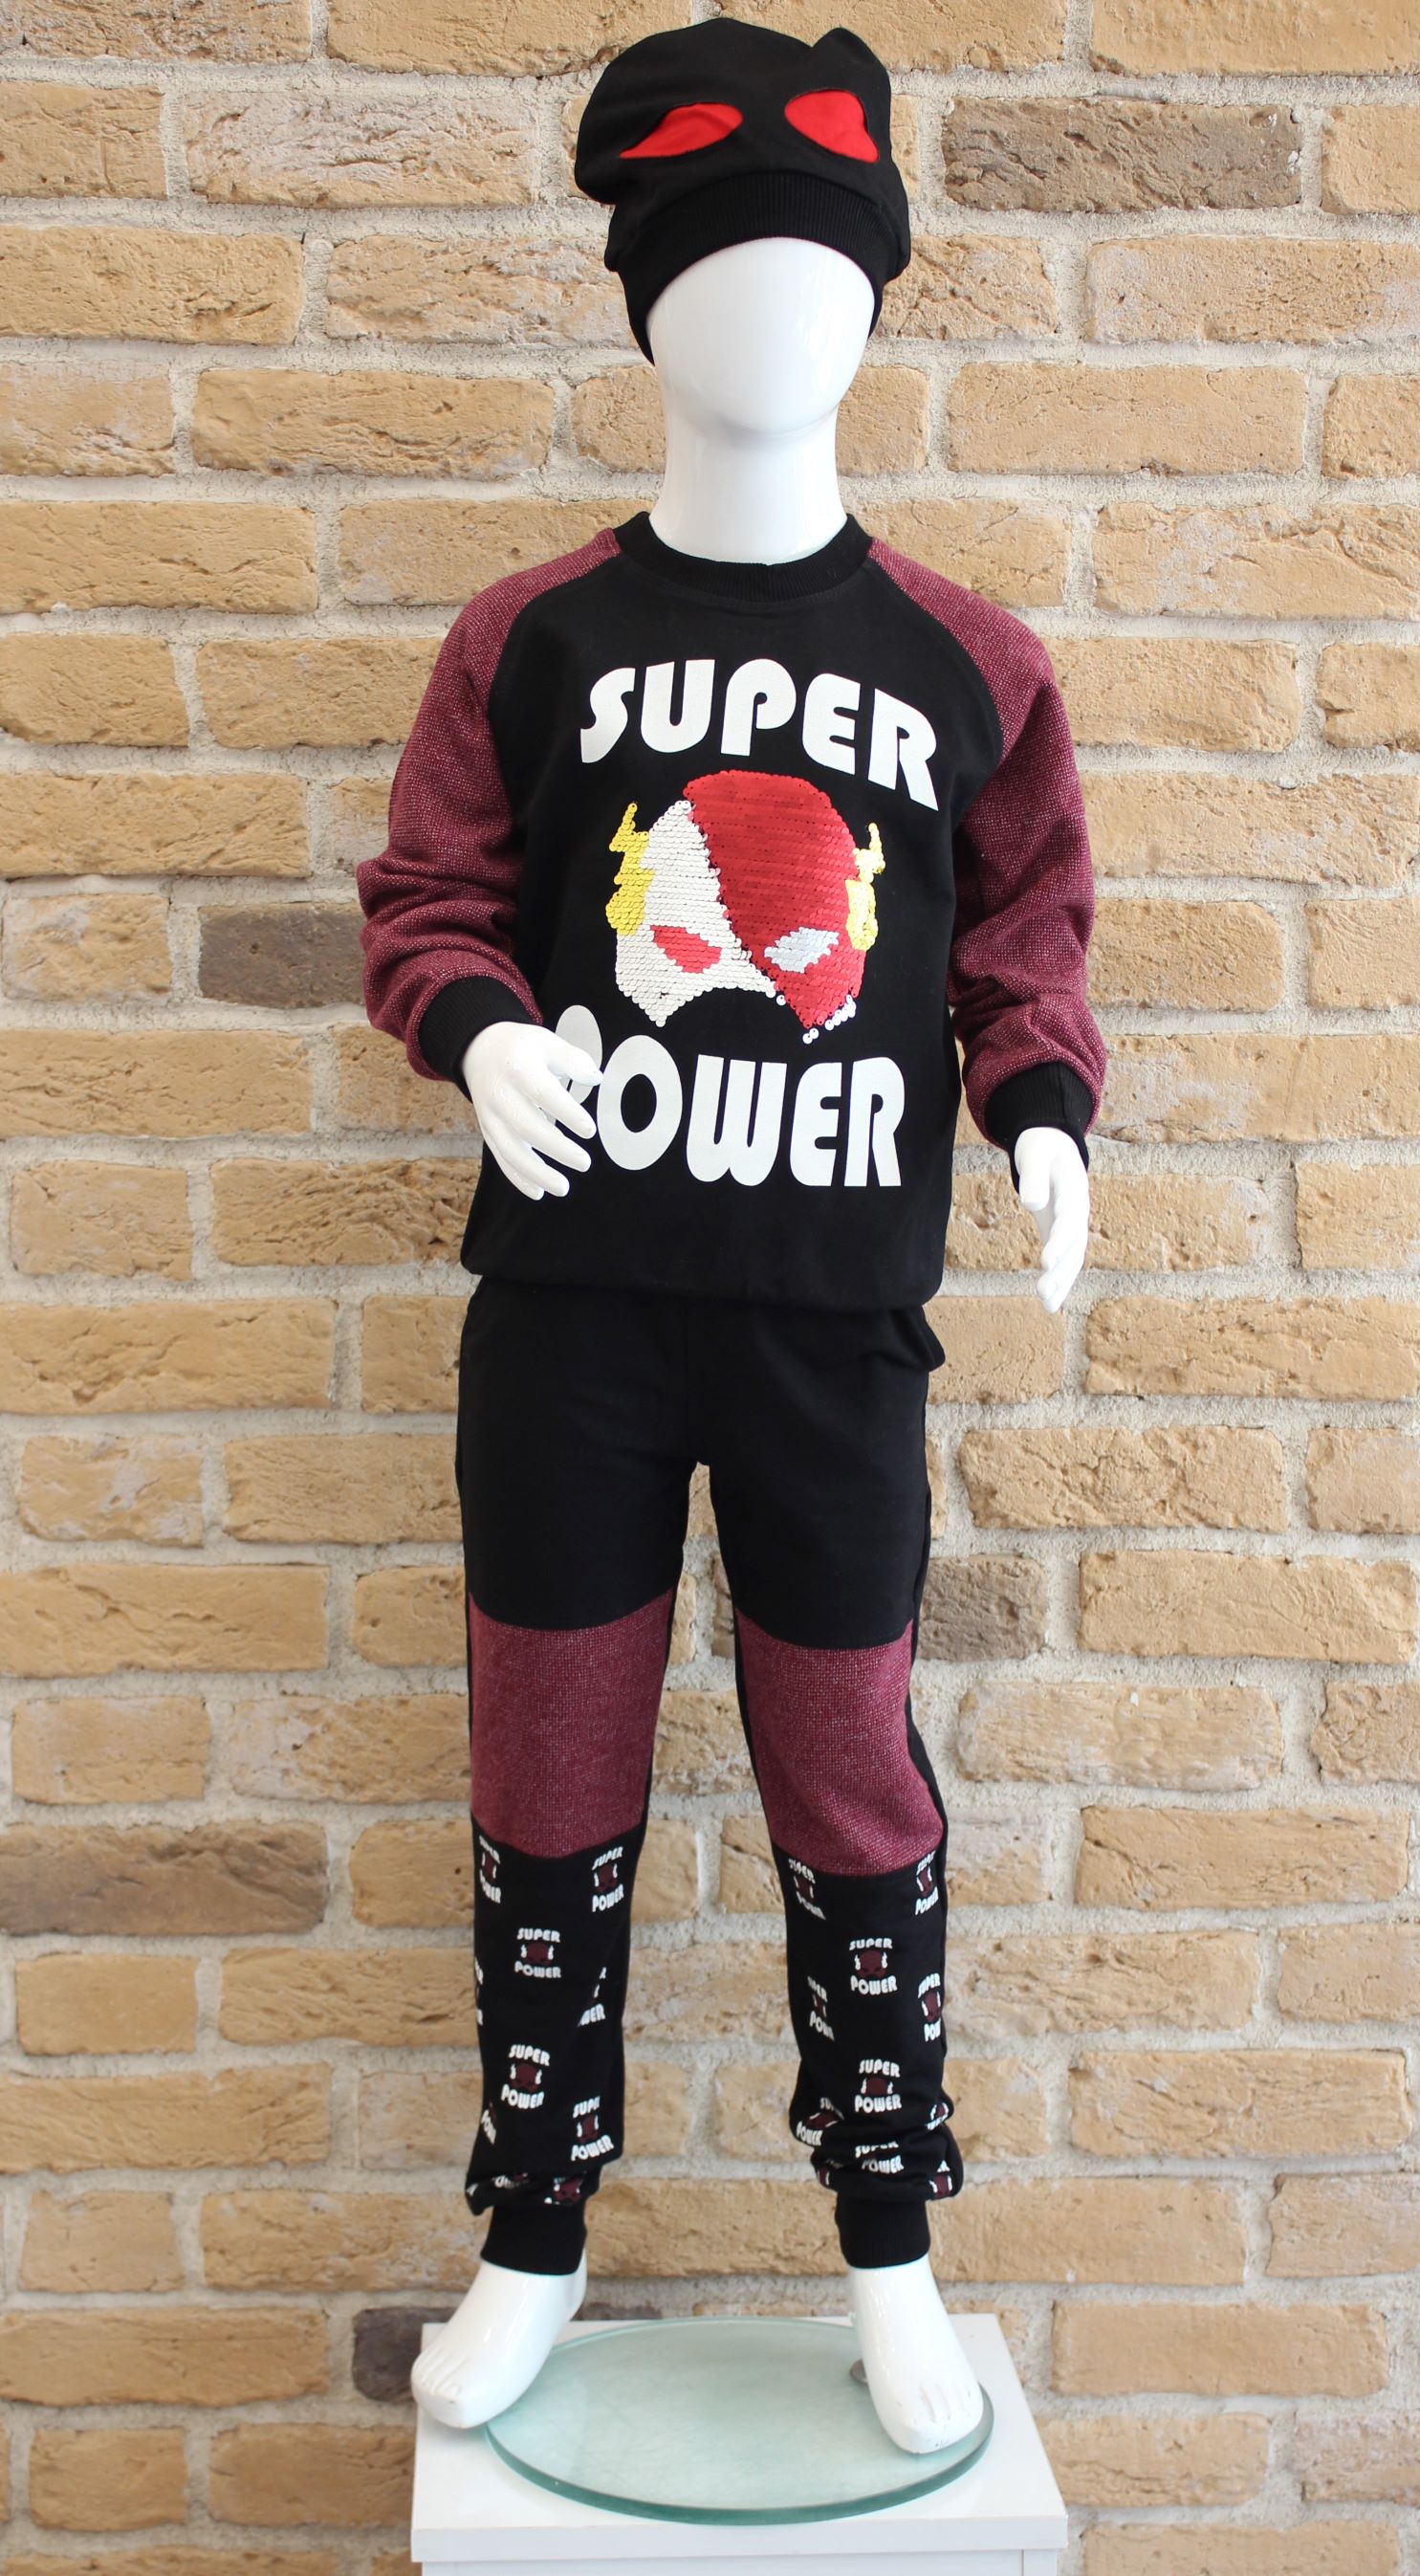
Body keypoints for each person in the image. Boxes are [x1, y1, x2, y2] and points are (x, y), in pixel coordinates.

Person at [357, 16, 1104, 2455]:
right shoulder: (532, 638)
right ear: (644, 303)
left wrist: (1042, 1117)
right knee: (545, 1768)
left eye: (817, 274)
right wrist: (480, 1031)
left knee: (848, 1777)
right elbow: (430, 894)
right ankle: (531, 2228)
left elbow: (1021, 947)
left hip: (829, 1332)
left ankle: (889, 2242)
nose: (769, 319)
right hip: (569, 1325)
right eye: (714, 272)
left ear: (876, 304)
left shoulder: (969, 664)